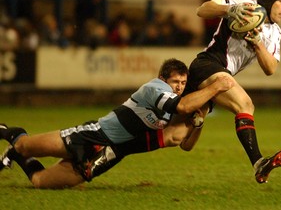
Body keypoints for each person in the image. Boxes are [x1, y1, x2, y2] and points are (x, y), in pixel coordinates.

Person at [0, 58, 233, 189]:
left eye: (183, 82)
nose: (180, 87)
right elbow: (181, 107)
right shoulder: (155, 88)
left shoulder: (172, 106)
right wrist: (216, 87)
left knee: (41, 182)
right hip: (93, 135)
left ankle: (17, 156)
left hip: (108, 154)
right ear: (163, 79)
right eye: (176, 82)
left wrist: (200, 120)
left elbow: (183, 142)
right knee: (25, 145)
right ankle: (9, 134)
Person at [182, 0, 281, 184]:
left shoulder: (275, 32)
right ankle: (259, 163)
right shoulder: (243, 4)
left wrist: (258, 44)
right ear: (268, 0)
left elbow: (270, 69)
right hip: (207, 65)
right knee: (246, 104)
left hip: (220, 76)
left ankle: (110, 142)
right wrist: (231, 9)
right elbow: (202, 10)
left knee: (180, 138)